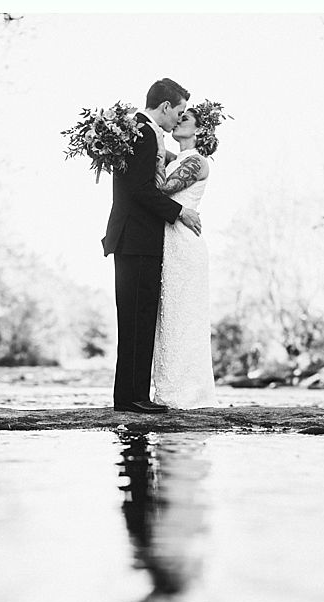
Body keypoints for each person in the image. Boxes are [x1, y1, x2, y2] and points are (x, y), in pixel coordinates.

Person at [102, 78, 202, 414]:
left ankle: (128, 396)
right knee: (137, 319)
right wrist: (179, 212)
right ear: (165, 107)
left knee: (135, 319)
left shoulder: (140, 131)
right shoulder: (144, 133)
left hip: (132, 238)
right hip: (137, 239)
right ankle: (133, 398)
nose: (179, 118)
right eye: (180, 111)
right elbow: (141, 191)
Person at [151, 104, 222, 409]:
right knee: (167, 318)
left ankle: (189, 393)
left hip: (185, 246)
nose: (178, 121)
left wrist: (154, 157)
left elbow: (163, 188)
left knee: (184, 318)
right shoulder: (178, 158)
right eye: (178, 116)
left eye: (186, 119)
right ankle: (167, 390)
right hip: (169, 243)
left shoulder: (197, 161)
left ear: (200, 130)